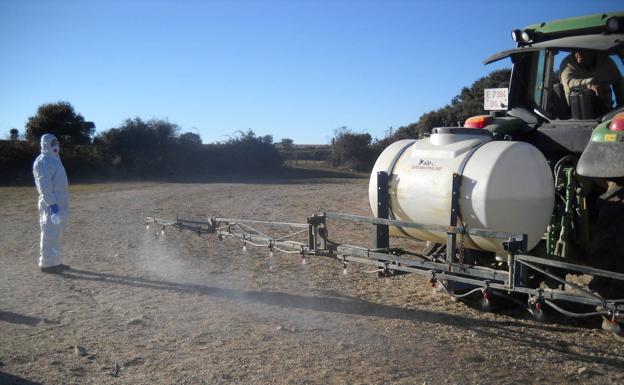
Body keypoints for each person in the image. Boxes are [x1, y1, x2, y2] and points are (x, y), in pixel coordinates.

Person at [33, 133, 70, 274]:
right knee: (49, 233)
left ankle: (56, 261)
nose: (55, 145)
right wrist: (52, 206)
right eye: (52, 142)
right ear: (45, 144)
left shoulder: (55, 159)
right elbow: (44, 187)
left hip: (60, 203)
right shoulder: (43, 161)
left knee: (57, 234)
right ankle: (47, 264)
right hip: (51, 204)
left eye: (56, 142)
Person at [560, 50, 624, 115]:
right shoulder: (568, 63)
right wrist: (589, 85)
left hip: (607, 111)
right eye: (576, 50)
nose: (579, 53)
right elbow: (569, 83)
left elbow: (619, 82)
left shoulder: (605, 61)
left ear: (593, 51)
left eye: (583, 49)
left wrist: (620, 106)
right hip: (576, 116)